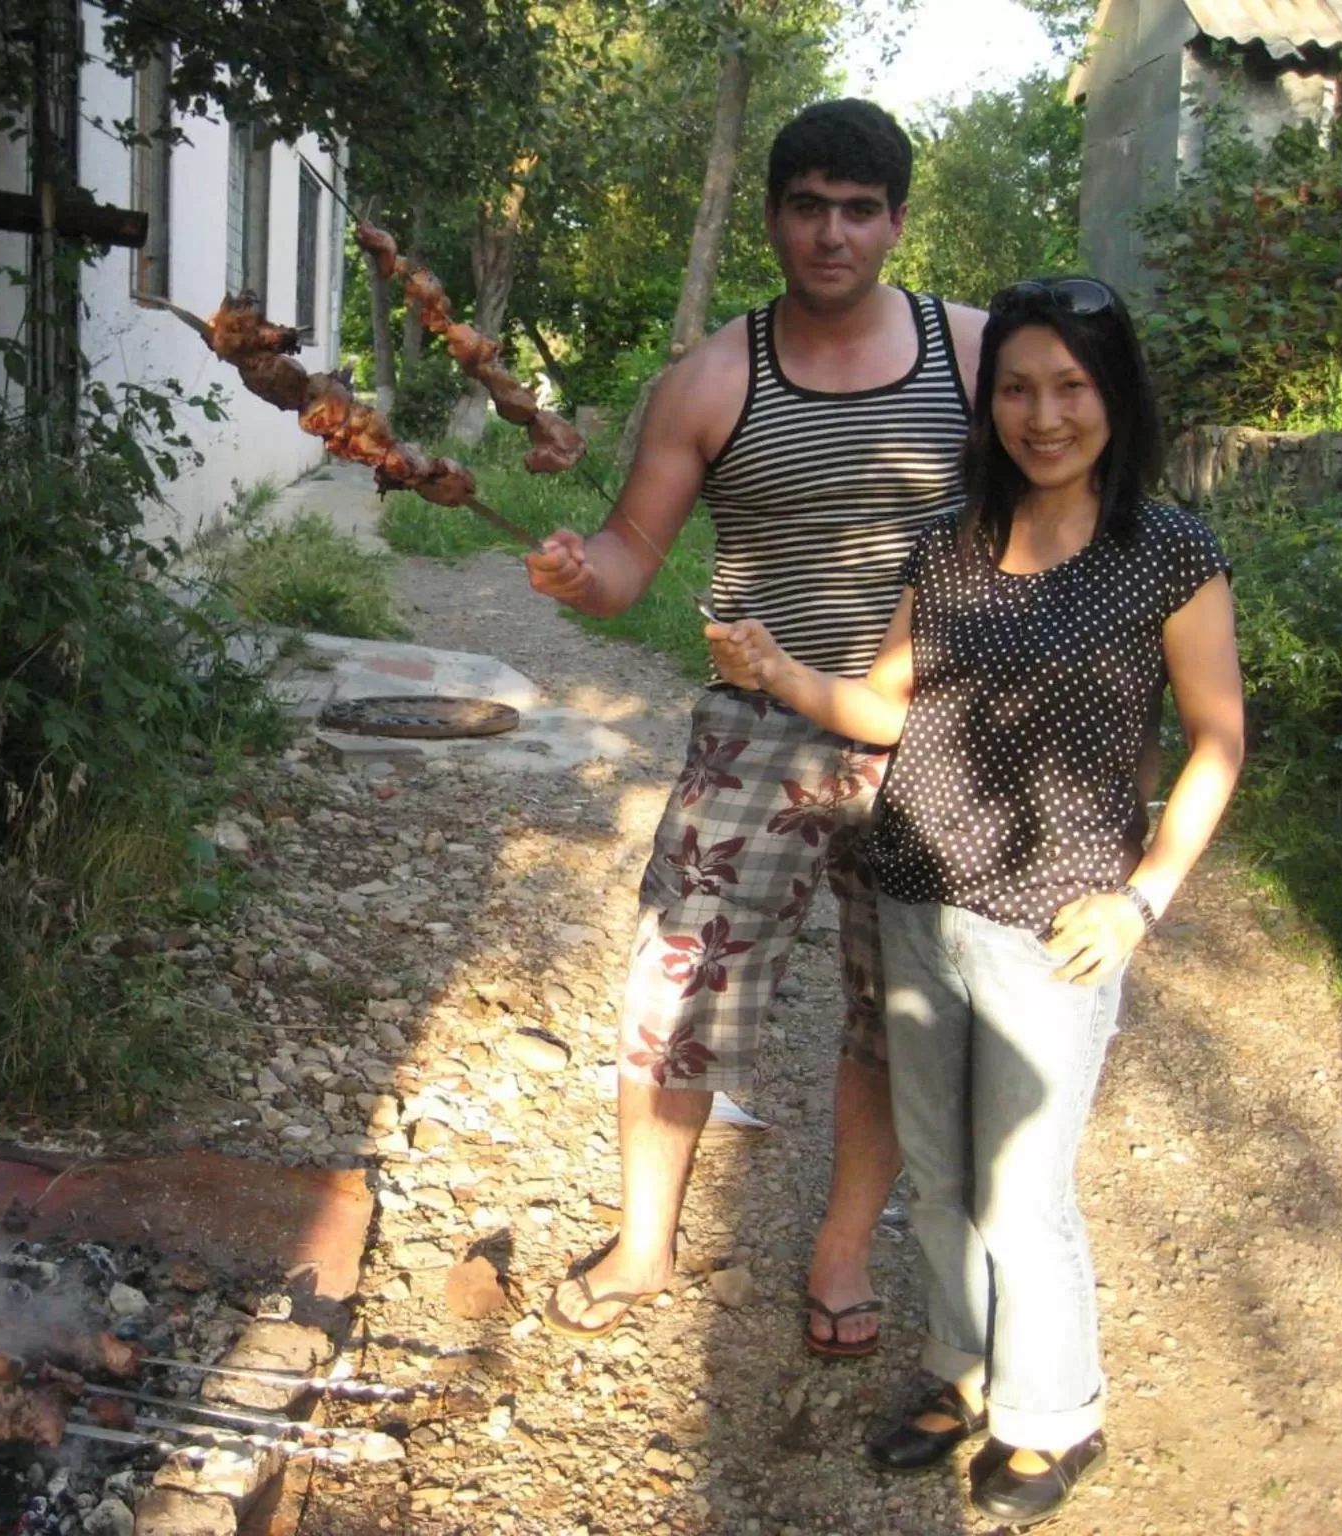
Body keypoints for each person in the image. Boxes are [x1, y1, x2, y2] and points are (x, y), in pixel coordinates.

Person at [706, 274, 1243, 1523]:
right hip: (912, 898)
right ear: (985, 397)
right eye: (1015, 386)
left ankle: (1053, 1415)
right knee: (941, 1175)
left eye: (1070, 386)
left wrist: (1141, 899)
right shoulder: (948, 538)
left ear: (1115, 396)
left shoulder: (1167, 552)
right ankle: (961, 1366)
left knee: (1021, 1192)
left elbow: (1217, 742)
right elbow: (892, 706)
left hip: (1053, 927)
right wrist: (781, 670)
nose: (1040, 414)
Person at [526, 98, 985, 1356]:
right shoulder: (716, 376)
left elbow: (1067, 494)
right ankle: (642, 1242)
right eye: (806, 206)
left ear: (893, 221)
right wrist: (580, 574)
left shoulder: (979, 355)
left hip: (925, 731)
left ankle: (841, 1254)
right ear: (774, 217)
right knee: (672, 989)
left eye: (857, 209)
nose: (830, 234)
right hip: (755, 726)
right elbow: (629, 554)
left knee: (890, 1006)